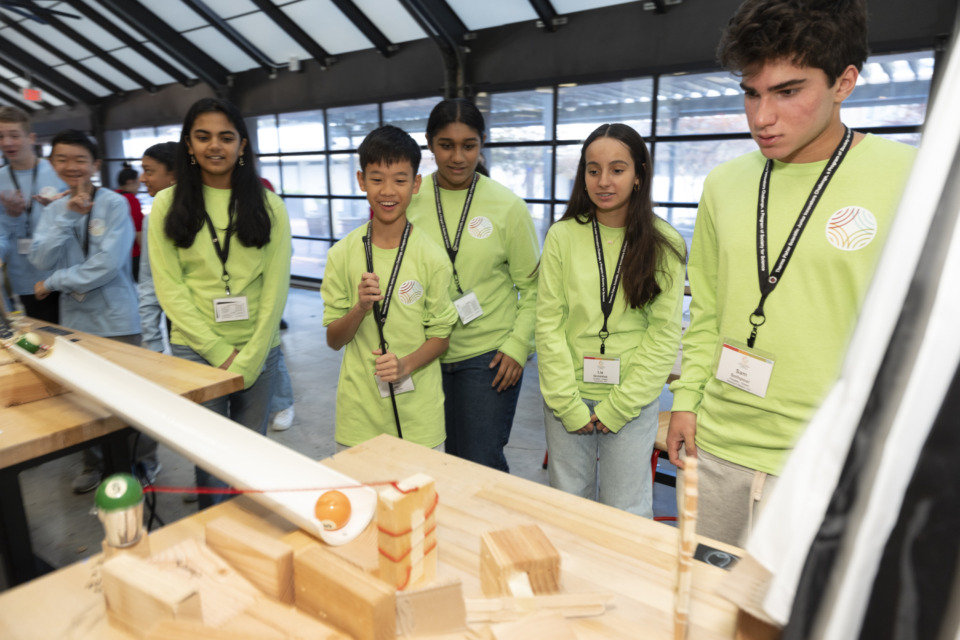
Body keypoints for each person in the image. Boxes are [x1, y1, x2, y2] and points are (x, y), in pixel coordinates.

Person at [667, 0, 918, 546]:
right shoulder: (724, 185)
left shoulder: (909, 179)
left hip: (828, 458)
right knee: (703, 594)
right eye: (751, 93)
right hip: (718, 446)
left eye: (787, 92)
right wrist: (685, 400)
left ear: (843, 83)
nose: (761, 117)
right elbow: (707, 310)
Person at [148, 98, 291, 509]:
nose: (215, 146)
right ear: (188, 145)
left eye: (226, 137)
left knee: (251, 454)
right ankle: (214, 528)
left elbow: (276, 288)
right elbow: (169, 288)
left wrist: (250, 357)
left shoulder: (268, 205)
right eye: (203, 136)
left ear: (242, 145)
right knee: (209, 456)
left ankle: (247, 532)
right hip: (195, 350)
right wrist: (218, 352)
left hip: (259, 350)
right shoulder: (166, 204)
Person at [537, 123, 685, 517]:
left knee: (626, 511)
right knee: (567, 507)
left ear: (639, 175)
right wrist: (566, 402)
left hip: (630, 399)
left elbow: (662, 334)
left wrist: (620, 405)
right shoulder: (562, 237)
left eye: (617, 170)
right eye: (593, 170)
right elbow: (549, 324)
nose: (603, 181)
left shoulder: (664, 243)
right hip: (567, 394)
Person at [406, 98, 540, 472]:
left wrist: (518, 347)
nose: (458, 157)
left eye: (469, 145)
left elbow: (534, 289)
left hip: (489, 357)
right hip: (423, 354)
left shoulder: (507, 206)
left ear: (482, 143)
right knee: (430, 464)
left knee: (480, 465)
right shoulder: (409, 201)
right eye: (446, 145)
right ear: (429, 144)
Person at [322, 125, 457, 450]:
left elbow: (441, 337)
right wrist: (360, 308)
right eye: (377, 179)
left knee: (421, 485)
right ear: (361, 181)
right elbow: (334, 340)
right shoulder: (342, 254)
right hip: (358, 415)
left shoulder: (432, 257)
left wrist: (404, 365)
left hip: (419, 417)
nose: (387, 191)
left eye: (399, 180)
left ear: (416, 184)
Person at [28, 129, 147, 493]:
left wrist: (54, 282)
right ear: (52, 164)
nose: (71, 166)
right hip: (75, 323)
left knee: (130, 398)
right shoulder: (54, 207)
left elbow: (107, 265)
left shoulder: (115, 204)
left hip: (116, 318)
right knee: (84, 400)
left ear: (95, 165)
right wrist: (66, 216)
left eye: (80, 159)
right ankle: (93, 463)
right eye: (62, 159)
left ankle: (140, 461)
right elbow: (39, 258)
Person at [0, 106, 66, 323]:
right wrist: (12, 217)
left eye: (14, 135)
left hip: (62, 274)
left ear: (31, 138)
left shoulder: (58, 172)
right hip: (25, 279)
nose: (7, 142)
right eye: (1, 137)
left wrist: (56, 210)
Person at [138, 141, 177, 353]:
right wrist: (152, 339)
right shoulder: (153, 220)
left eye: (149, 171)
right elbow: (149, 278)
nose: (142, 179)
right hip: (180, 325)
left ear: (174, 175)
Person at [115, 162, 143, 281]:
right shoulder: (131, 200)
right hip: (133, 254)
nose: (140, 186)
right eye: (138, 183)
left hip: (115, 254)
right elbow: (138, 231)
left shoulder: (112, 197)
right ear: (130, 182)